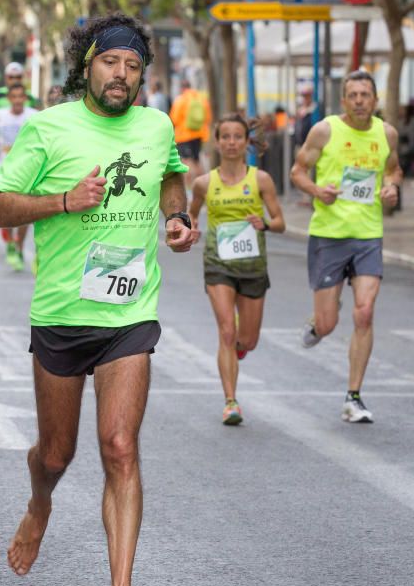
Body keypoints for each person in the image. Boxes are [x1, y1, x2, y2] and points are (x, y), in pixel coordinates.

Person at [0, 13, 197, 586]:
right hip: (61, 314)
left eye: (133, 67)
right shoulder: (48, 127)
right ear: (87, 66)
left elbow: (171, 175)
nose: (122, 75)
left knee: (121, 447)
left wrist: (176, 218)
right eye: (111, 63)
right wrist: (63, 201)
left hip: (130, 312)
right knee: (56, 454)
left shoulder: (157, 127)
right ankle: (39, 503)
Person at [290, 70, 401, 424]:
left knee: (365, 312)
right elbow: (297, 171)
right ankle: (321, 319)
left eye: (364, 94)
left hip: (368, 234)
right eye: (352, 95)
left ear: (375, 99)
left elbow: (394, 171)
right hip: (329, 234)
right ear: (343, 100)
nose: (358, 101)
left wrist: (392, 188)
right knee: (327, 324)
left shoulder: (386, 134)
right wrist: (316, 191)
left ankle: (354, 396)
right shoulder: (325, 130)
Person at [188, 114, 285, 425]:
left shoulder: (260, 180)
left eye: (237, 137)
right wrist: (191, 230)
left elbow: (280, 222)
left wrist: (265, 224)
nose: (231, 143)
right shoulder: (204, 183)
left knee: (247, 339)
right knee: (226, 331)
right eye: (225, 137)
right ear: (216, 143)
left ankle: (240, 347)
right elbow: (191, 215)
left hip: (253, 266)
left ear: (246, 143)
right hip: (218, 265)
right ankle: (231, 401)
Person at [0, 83, 39, 270]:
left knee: (24, 213)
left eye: (21, 97)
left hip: (27, 170)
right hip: (3, 168)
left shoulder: (33, 115)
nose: (18, 100)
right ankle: (10, 242)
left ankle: (18, 246)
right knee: (6, 211)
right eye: (14, 97)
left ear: (25, 98)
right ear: (9, 98)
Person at [169, 78, 211, 187]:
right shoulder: (201, 99)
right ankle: (203, 185)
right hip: (199, 135)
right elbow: (208, 117)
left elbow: (174, 118)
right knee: (197, 160)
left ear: (182, 88)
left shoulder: (181, 100)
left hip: (184, 136)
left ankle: (188, 188)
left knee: (187, 161)